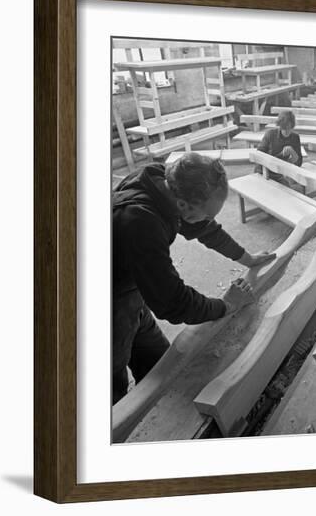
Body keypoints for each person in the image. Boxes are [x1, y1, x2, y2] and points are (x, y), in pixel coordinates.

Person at [112, 153, 275, 404]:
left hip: (132, 288)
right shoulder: (141, 222)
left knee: (159, 363)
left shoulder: (163, 181)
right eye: (206, 213)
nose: (208, 220)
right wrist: (226, 305)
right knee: (112, 385)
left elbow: (205, 229)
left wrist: (248, 258)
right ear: (184, 206)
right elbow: (173, 303)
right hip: (106, 301)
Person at [256, 110, 302, 184]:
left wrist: (292, 152)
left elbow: (299, 162)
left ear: (292, 126)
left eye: (289, 128)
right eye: (284, 128)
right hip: (264, 171)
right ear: (280, 126)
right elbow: (259, 155)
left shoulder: (295, 137)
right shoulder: (270, 134)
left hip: (280, 173)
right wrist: (279, 156)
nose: (286, 131)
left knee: (288, 186)